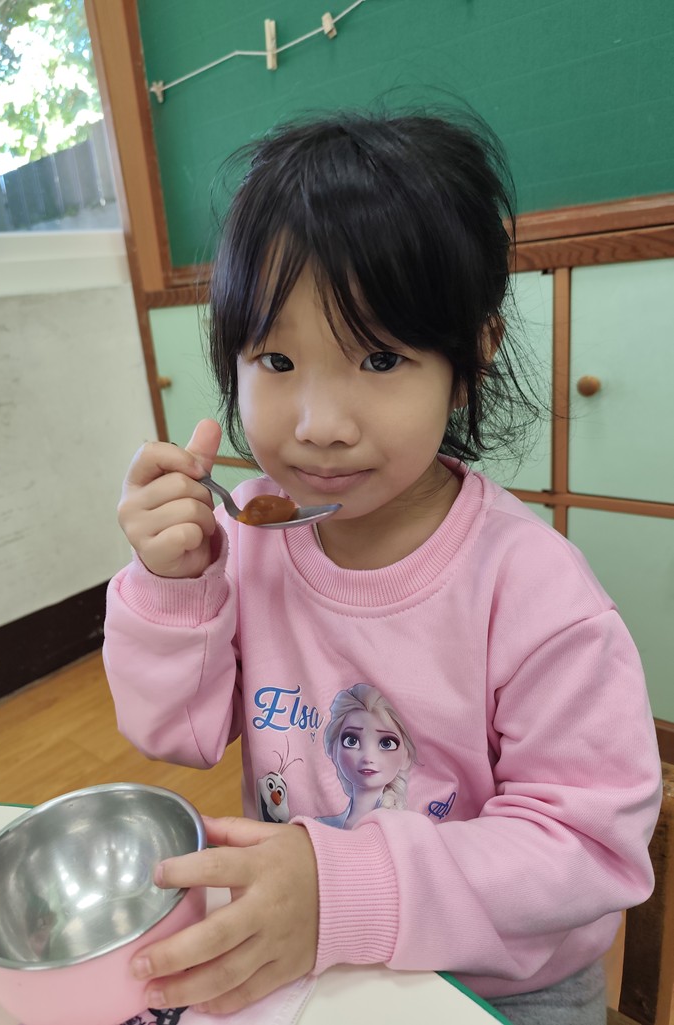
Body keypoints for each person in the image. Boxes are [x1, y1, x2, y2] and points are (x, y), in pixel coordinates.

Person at [103, 109, 662, 1024]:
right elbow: (179, 733)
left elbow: (587, 847)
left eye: (378, 356)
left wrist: (346, 887)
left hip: (499, 976)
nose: (319, 423)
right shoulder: (249, 538)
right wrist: (174, 586)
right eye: (276, 358)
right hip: (310, 944)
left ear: (470, 356)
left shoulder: (534, 588)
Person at [317, 683, 418, 828]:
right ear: (334, 750)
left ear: (406, 756)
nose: (368, 758)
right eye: (352, 741)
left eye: (386, 743)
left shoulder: (410, 829)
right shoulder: (320, 826)